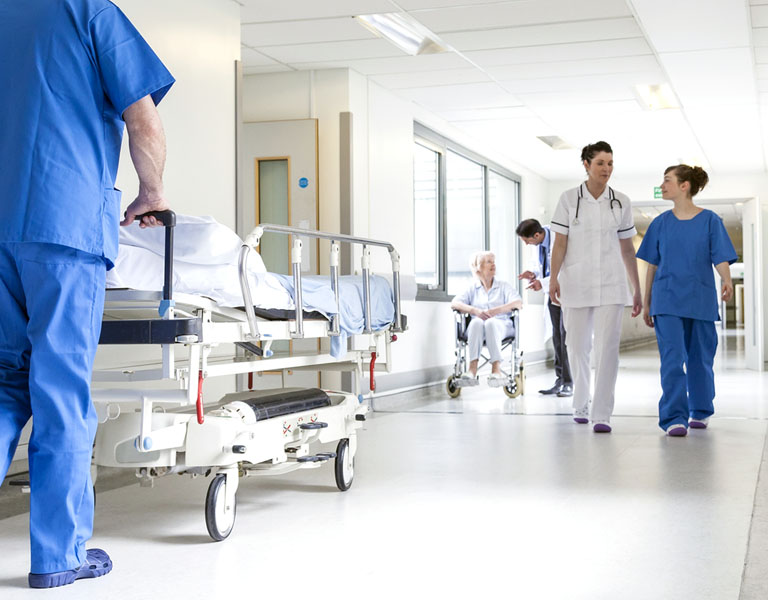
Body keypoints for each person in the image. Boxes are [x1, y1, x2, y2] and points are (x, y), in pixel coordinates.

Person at [0, 0, 174, 588]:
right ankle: (58, 556)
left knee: (2, 384)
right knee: (61, 389)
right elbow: (142, 121)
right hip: (64, 226)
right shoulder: (88, 11)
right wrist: (151, 192)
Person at [549, 141, 642, 433]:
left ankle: (602, 412)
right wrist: (553, 278)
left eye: (611, 163)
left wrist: (636, 288)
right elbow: (560, 243)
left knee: (607, 348)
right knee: (576, 347)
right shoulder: (567, 199)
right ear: (586, 165)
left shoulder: (621, 201)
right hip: (575, 283)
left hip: (612, 284)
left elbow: (627, 249)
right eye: (601, 163)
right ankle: (580, 402)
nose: (607, 169)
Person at [636, 165, 736, 437]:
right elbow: (652, 266)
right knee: (672, 358)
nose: (662, 185)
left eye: (667, 180)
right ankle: (673, 417)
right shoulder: (660, 223)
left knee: (700, 358)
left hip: (700, 298)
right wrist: (647, 302)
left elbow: (720, 256)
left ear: (685, 186)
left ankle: (700, 410)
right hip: (666, 299)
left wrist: (726, 280)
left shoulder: (710, 220)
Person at [516, 219, 573, 397]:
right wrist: (533, 275)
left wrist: (543, 282)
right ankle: (560, 379)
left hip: (566, 292)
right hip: (552, 294)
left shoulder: (560, 238)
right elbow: (545, 268)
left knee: (566, 337)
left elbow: (564, 268)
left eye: (527, 240)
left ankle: (569, 382)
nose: (526, 244)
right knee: (557, 337)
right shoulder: (539, 244)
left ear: (537, 235)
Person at [451, 251, 523, 385]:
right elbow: (455, 303)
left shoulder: (503, 286)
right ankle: (472, 369)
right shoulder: (472, 288)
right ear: (478, 267)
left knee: (490, 323)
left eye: (494, 261)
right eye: (489, 261)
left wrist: (496, 310)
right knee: (476, 322)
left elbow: (518, 303)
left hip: (501, 326)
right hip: (476, 330)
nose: (493, 264)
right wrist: (475, 310)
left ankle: (496, 369)